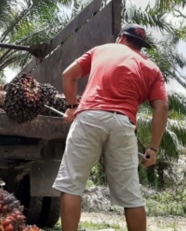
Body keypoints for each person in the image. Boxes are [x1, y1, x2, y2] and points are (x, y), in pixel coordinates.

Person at [53, 24, 169, 231]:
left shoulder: (101, 49)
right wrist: (153, 148)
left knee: (72, 185)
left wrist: (72, 106)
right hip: (123, 124)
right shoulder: (152, 68)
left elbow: (67, 75)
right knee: (131, 196)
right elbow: (162, 107)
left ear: (121, 38)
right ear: (141, 45)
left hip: (89, 118)